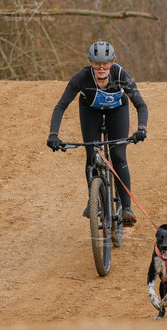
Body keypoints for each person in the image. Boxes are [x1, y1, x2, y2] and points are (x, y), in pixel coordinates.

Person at [47, 41, 148, 225]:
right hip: (90, 110)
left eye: (106, 63)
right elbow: (61, 106)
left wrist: (141, 129)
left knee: (118, 155)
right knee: (92, 154)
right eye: (96, 63)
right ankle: (93, 200)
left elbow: (141, 105)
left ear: (112, 62)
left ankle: (126, 208)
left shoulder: (121, 75)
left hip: (117, 110)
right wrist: (53, 134)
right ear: (90, 63)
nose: (101, 67)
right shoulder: (81, 78)